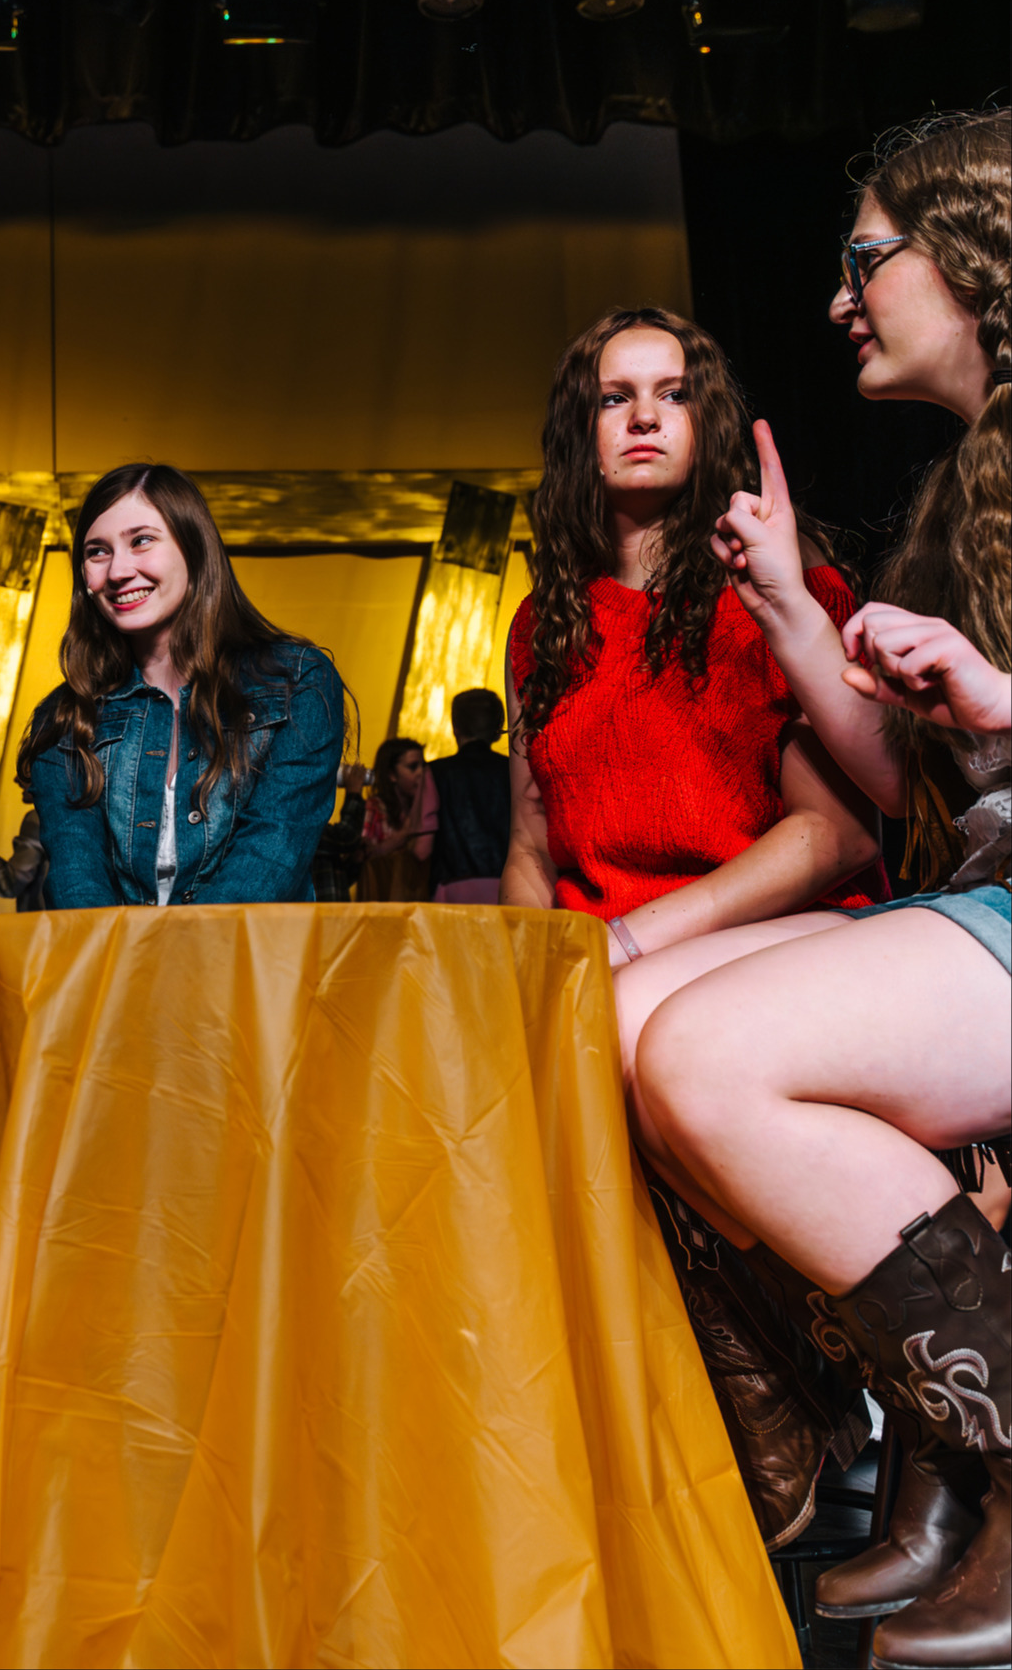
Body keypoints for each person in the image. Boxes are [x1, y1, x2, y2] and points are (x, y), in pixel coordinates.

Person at [631, 110, 1010, 1670]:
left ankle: (977, 1456)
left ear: (978, 250)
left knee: (702, 1051)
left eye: (866, 256)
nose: (840, 294)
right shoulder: (969, 473)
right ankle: (882, 1451)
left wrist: (996, 692)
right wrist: (791, 599)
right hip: (985, 889)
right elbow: (902, 792)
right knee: (609, 1013)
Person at [500, 303, 888, 1549]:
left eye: (672, 391)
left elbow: (834, 834)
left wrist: (631, 941)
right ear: (583, 431)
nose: (646, 414)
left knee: (629, 1033)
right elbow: (526, 848)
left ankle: (780, 1402)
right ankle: (763, 1403)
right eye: (616, 396)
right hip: (595, 955)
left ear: (709, 421)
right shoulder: (540, 622)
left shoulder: (779, 584)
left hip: (775, 943)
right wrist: (532, 966)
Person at [19, 463, 347, 908]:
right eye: (97, 552)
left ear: (194, 547)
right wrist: (126, 973)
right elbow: (80, 887)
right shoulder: (66, 719)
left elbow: (272, 858)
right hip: (117, 971)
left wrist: (179, 967)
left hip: (256, 970)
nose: (118, 571)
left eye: (141, 541)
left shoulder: (295, 683)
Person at [426, 689, 510, 904]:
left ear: (455, 727)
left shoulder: (435, 772)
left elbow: (422, 847)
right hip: (506, 887)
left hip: (452, 887)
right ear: (498, 729)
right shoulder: (515, 772)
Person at [358, 736, 434, 902]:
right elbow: (366, 856)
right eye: (413, 767)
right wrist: (406, 833)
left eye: (423, 766)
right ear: (391, 774)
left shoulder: (424, 806)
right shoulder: (375, 807)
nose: (421, 773)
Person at [310, 762, 369, 902]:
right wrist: (353, 793)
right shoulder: (303, 829)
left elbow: (336, 880)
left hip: (332, 915)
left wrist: (354, 862)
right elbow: (348, 835)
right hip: (318, 919)